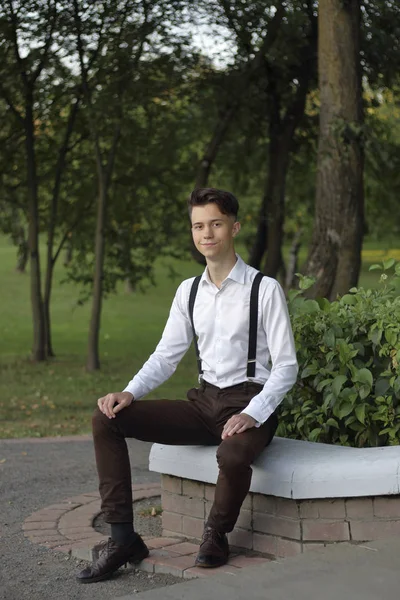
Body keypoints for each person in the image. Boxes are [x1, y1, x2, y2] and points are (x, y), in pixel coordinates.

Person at [76, 188, 298, 584]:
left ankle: (216, 534)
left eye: (215, 223)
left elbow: (285, 367)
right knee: (107, 418)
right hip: (203, 402)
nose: (206, 233)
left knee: (232, 455)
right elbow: (165, 356)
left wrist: (253, 413)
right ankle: (123, 538)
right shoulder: (188, 291)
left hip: (250, 402)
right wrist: (129, 393)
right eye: (198, 225)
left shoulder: (263, 289)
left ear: (234, 227)